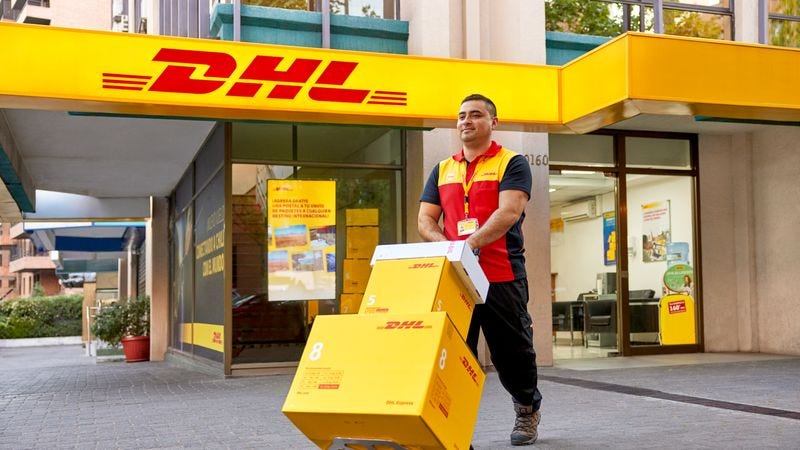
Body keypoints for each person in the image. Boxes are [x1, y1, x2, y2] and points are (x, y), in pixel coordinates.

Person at [418, 93, 542, 446]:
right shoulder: (442, 169)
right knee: (454, 359)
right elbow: (425, 219)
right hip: (457, 279)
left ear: (493, 122)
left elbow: (508, 213)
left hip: (501, 275)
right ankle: (452, 430)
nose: (465, 121)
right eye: (461, 116)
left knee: (513, 354)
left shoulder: (512, 163)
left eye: (475, 115)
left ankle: (526, 409)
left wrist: (467, 247)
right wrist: (449, 249)